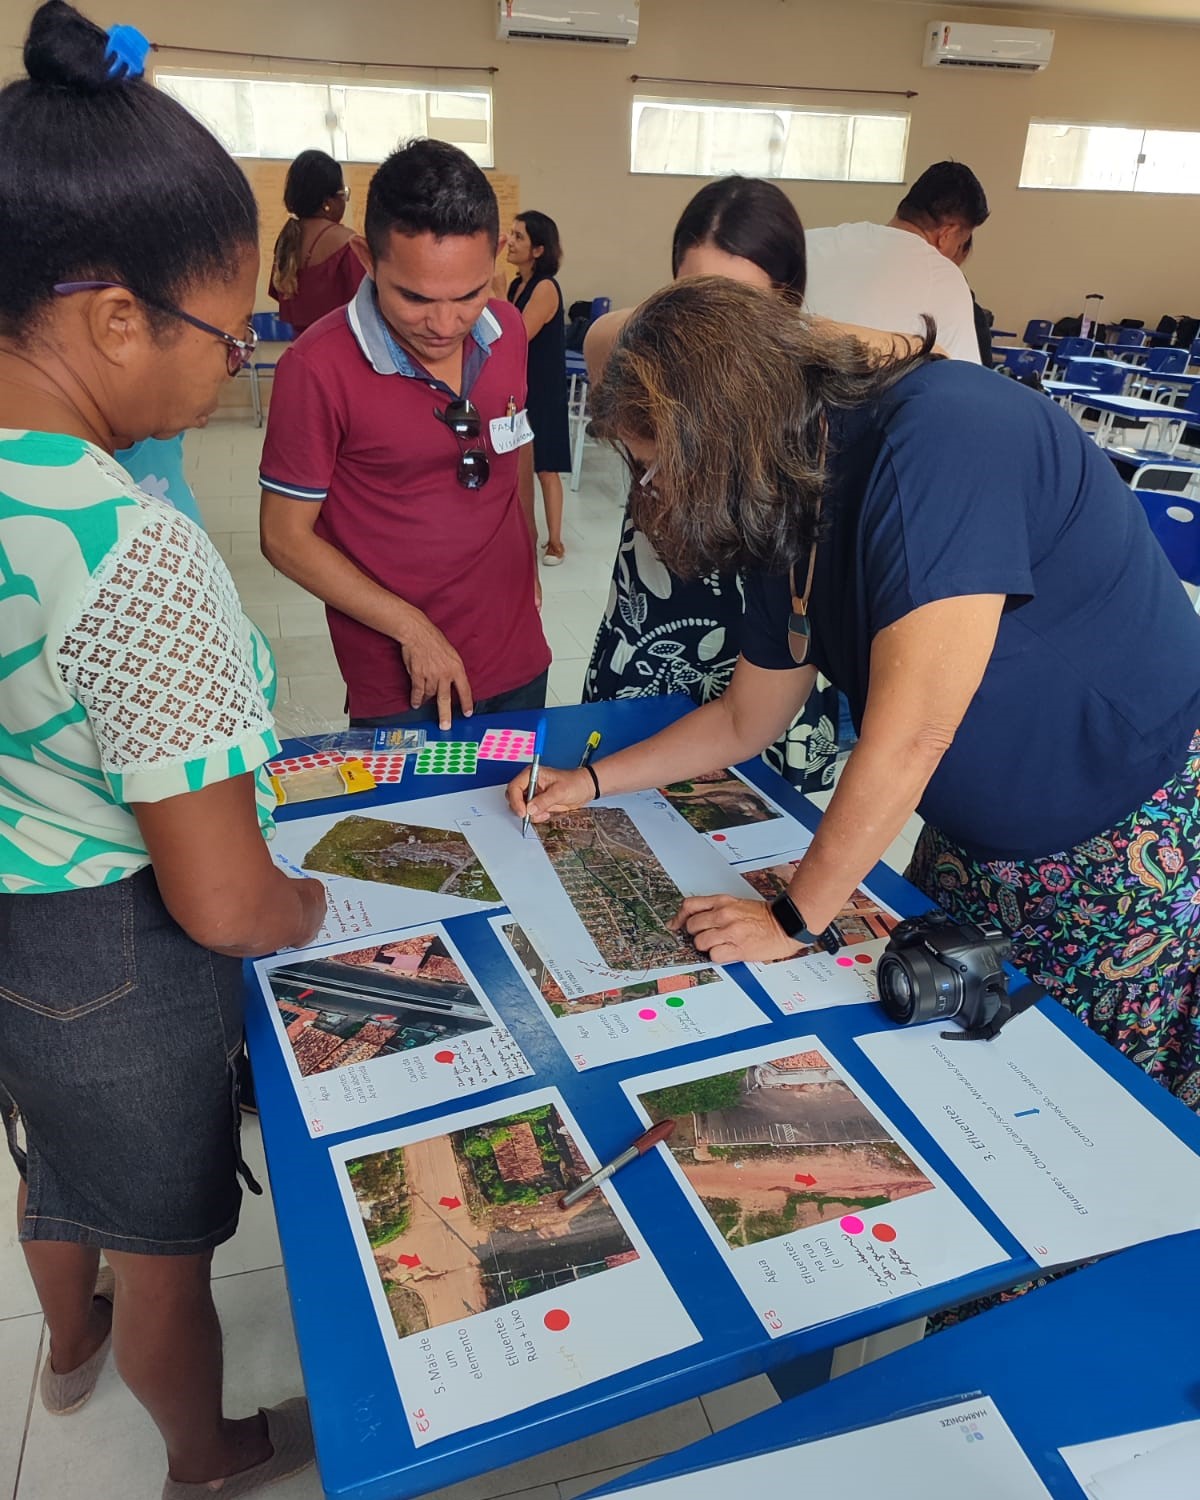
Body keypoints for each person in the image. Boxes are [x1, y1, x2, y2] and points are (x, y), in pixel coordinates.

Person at [511, 277, 1200, 1110]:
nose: (655, 499)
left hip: (1118, 852)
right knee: (957, 1069)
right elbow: (745, 716)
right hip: (974, 845)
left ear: (720, 438)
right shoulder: (785, 489)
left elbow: (912, 736)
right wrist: (586, 783)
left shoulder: (946, 438)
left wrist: (791, 922)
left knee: (1079, 1101)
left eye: (661, 474)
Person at [0, 4, 327, 1497]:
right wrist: (315, 901)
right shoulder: (128, 546)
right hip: (119, 952)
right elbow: (223, 901)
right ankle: (205, 1454)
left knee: (53, 1165)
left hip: (18, 915)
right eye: (227, 327)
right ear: (113, 315)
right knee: (168, 1248)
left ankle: (65, 1355)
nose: (237, 360)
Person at [583, 177, 901, 793]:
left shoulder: (811, 379)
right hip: (655, 634)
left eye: (742, 308)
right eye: (696, 296)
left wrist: (775, 342)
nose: (717, 330)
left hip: (767, 666)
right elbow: (608, 340)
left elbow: (925, 359)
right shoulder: (631, 347)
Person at [260, 139, 549, 731]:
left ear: (495, 255)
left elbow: (513, 445)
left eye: (467, 295)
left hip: (516, 648)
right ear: (368, 260)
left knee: (515, 810)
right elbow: (284, 537)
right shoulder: (316, 369)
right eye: (414, 297)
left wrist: (531, 560)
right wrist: (412, 628)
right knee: (423, 824)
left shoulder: (511, 330)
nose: (444, 325)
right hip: (402, 671)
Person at [803, 160, 988, 364]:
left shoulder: (810, 242)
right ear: (947, 234)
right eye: (960, 243)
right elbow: (962, 380)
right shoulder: (946, 278)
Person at [507, 211, 571, 565]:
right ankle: (522, 533)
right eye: (512, 234)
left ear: (538, 249)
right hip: (520, 386)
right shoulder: (517, 284)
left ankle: (556, 542)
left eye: (519, 237)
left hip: (543, 387)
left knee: (546, 467)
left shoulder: (545, 288)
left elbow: (518, 334)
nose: (511, 241)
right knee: (516, 463)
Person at [269, 149, 365, 334]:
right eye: (343, 194)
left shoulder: (286, 242)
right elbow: (373, 307)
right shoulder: (350, 245)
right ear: (327, 202)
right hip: (342, 351)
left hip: (301, 351)